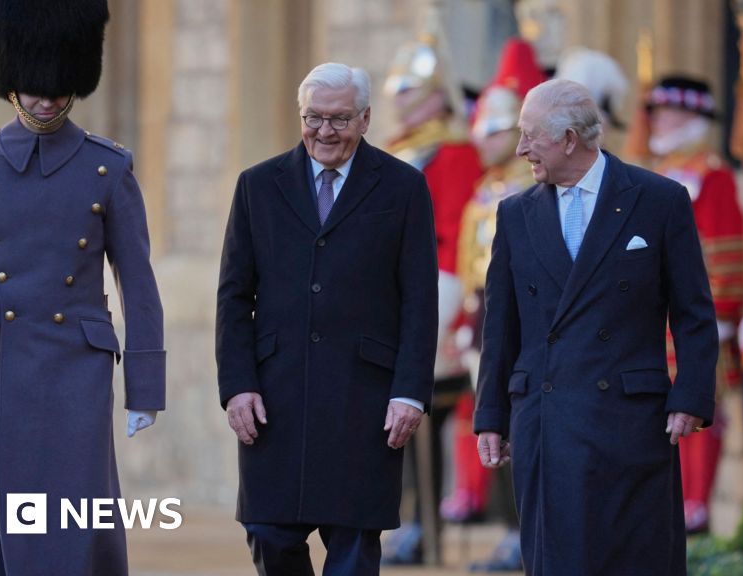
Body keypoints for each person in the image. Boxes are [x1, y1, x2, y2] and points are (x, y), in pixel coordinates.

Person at [0, 1, 165, 573]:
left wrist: (145, 384)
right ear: (11, 83)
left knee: (68, 529)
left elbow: (138, 280)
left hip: (73, 372)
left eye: (59, 88)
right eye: (35, 87)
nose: (48, 99)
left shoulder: (109, 168)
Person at [474, 78, 718, 575]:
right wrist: (491, 415)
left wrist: (691, 394)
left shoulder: (659, 199)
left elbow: (694, 311)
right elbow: (500, 327)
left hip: (629, 419)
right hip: (545, 417)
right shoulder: (515, 214)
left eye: (530, 135)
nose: (520, 149)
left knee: (632, 558)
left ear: (568, 139)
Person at [216, 62, 438, 576]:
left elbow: (420, 300)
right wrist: (237, 385)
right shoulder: (257, 186)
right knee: (269, 532)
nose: (324, 132)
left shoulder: (403, 187)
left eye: (338, 119)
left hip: (365, 398)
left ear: (364, 119)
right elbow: (233, 297)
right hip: (276, 395)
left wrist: (410, 392)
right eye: (313, 118)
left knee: (355, 546)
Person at [380, 29, 484, 565]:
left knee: (436, 418)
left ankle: (432, 521)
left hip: (437, 302)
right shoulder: (399, 150)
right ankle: (409, 519)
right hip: (388, 302)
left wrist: (439, 310)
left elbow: (454, 234)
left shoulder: (456, 152)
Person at [454, 37, 545, 573]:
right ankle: (508, 526)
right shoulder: (487, 190)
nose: (483, 140)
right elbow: (475, 267)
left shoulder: (528, 189)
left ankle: (522, 529)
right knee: (493, 423)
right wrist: (468, 319)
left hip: (521, 319)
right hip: (487, 317)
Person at [645, 75, 743, 533]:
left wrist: (723, 312)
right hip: (653, 312)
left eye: (669, 112)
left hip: (695, 312)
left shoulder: (713, 173)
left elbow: (726, 247)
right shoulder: (654, 168)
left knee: (697, 402)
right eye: (658, 111)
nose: (659, 120)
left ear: (691, 117)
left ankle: (697, 501)